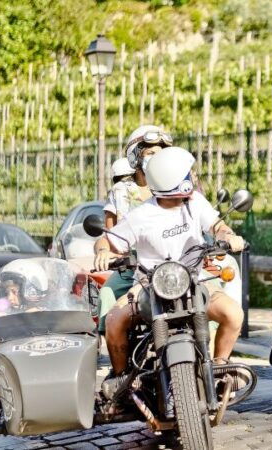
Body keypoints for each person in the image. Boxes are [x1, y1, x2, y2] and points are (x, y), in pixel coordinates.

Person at [95, 146, 246, 395]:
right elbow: (108, 240)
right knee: (114, 320)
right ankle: (122, 378)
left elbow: (217, 225)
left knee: (233, 314)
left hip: (194, 280)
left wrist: (229, 236)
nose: (191, 177)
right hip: (148, 284)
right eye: (187, 174)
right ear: (173, 178)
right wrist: (103, 251)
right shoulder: (141, 215)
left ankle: (219, 368)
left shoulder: (195, 203)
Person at [95, 125, 172, 333]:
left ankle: (209, 357)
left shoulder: (176, 186)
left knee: (209, 298)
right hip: (132, 269)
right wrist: (104, 251)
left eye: (160, 153)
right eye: (150, 153)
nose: (157, 158)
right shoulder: (121, 191)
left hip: (174, 267)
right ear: (136, 156)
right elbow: (109, 235)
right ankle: (117, 357)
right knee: (107, 295)